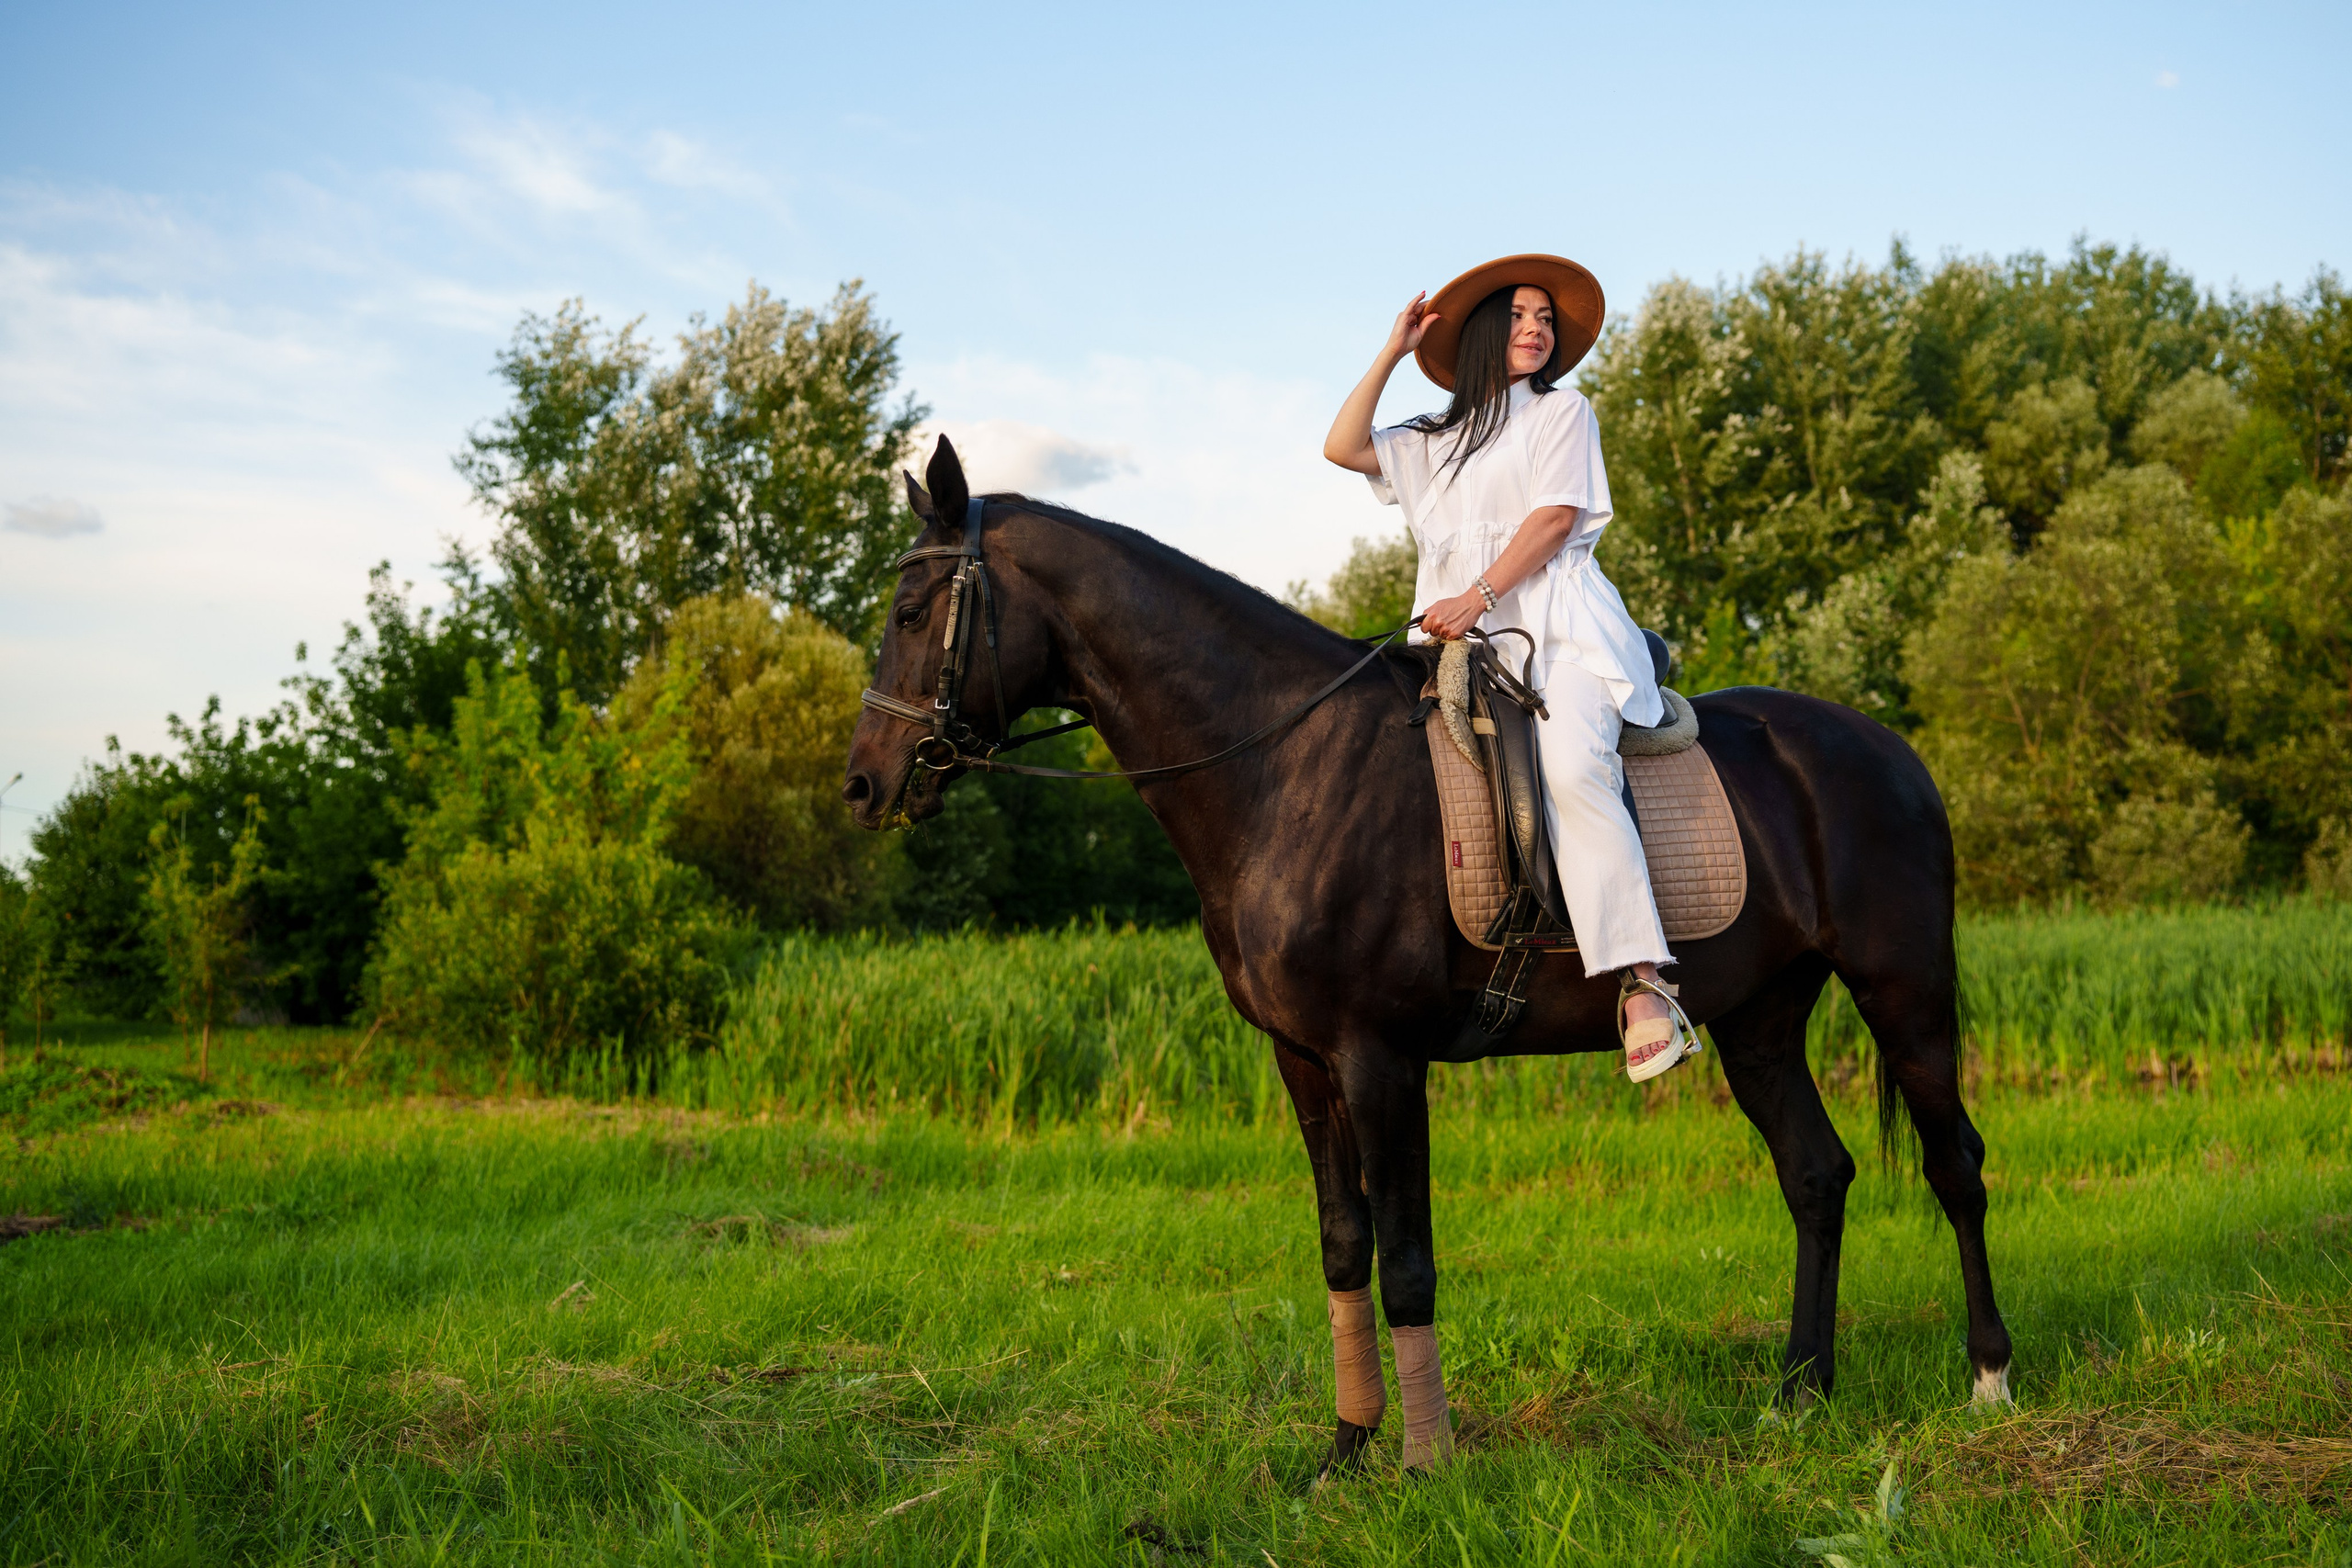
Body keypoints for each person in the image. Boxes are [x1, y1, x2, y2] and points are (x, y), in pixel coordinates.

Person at [1321, 254, 1695, 1081]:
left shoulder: (1561, 413)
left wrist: (1478, 595)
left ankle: (1644, 981)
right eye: (1521, 316)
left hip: (1558, 634)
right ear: (1486, 332)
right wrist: (1393, 350)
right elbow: (1340, 446)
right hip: (1459, 646)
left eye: (1545, 319)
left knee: (1571, 768)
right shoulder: (1434, 438)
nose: (1536, 329)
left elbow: (1556, 518)